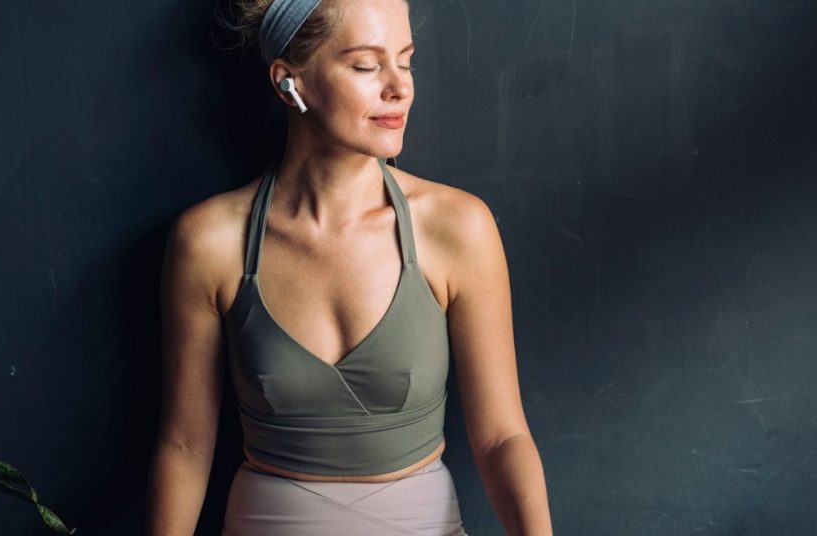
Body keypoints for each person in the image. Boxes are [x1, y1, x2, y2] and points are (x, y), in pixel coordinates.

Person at [145, 0, 552, 534]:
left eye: (405, 61)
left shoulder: (457, 228)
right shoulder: (210, 241)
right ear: (290, 82)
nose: (399, 88)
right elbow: (184, 446)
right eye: (366, 65)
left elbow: (503, 436)